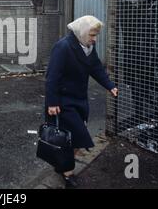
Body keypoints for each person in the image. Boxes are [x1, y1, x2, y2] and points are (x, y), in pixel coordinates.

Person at [45, 15, 118, 188]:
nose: (94, 39)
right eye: (92, 35)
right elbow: (52, 77)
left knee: (70, 139)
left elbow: (96, 68)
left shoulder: (88, 47)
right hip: (63, 102)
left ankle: (61, 165)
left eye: (95, 35)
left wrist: (109, 85)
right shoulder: (63, 47)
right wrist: (52, 102)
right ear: (82, 32)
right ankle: (68, 173)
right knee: (78, 137)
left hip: (79, 100)